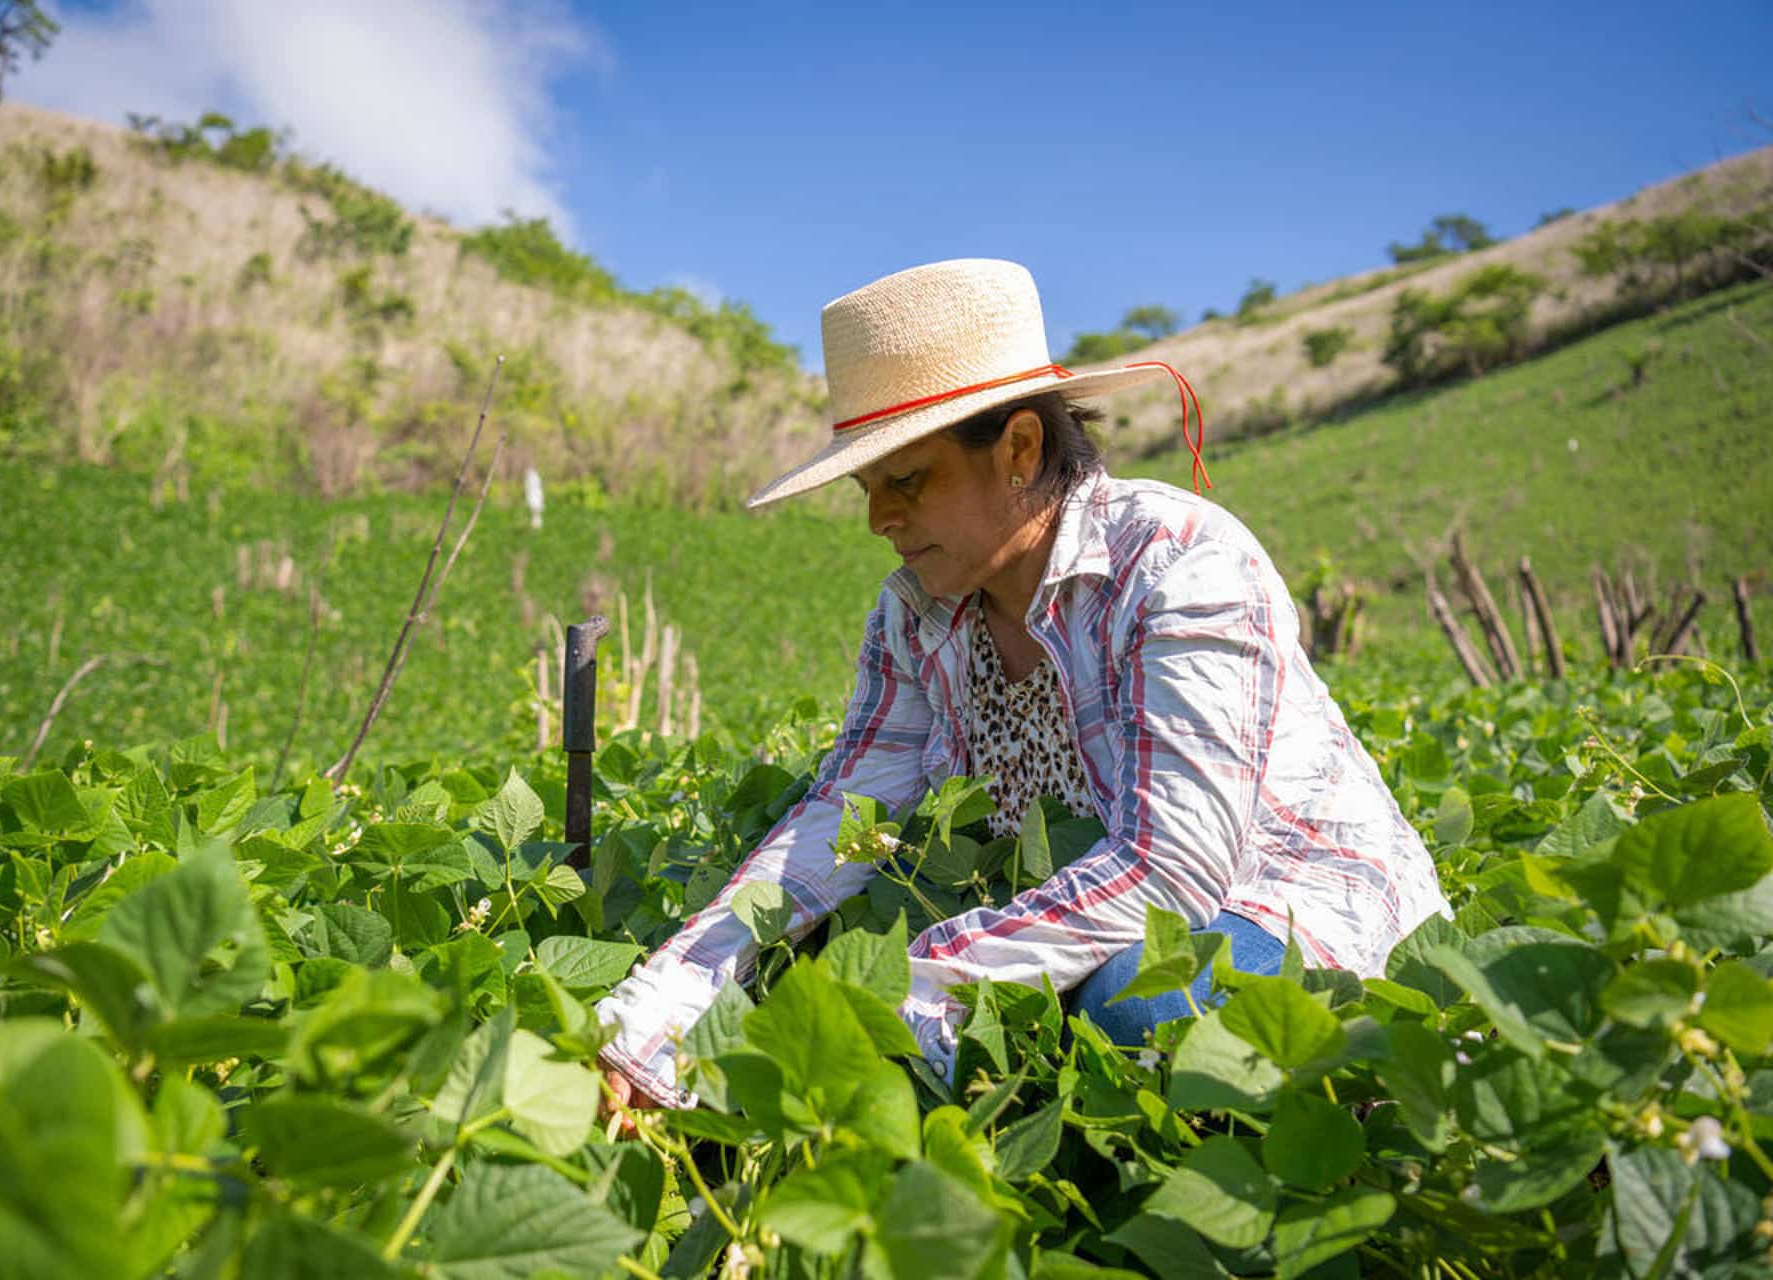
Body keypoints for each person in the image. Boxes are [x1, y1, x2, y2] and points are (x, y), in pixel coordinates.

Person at [596, 258, 1449, 1113]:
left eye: (907, 479)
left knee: (1139, 1005)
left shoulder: (1177, 561)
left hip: (1290, 894)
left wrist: (910, 991)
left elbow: (1174, 872)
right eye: (868, 488)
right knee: (820, 965)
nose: (878, 519)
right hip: (1091, 910)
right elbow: (843, 814)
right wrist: (669, 999)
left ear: (1020, 449)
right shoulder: (915, 614)